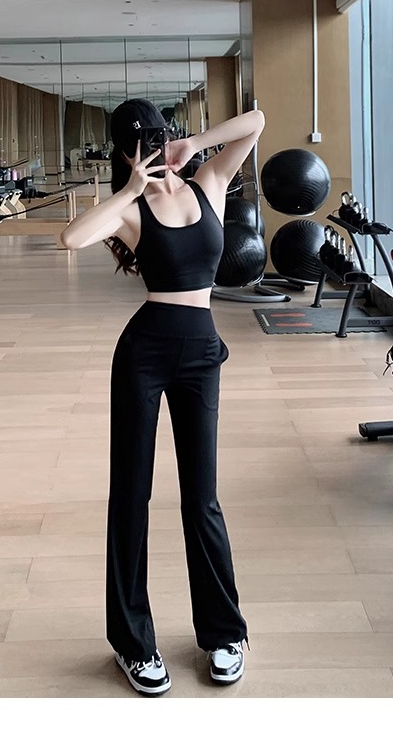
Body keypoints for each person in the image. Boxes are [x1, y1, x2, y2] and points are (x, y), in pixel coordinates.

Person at [61, 98, 265, 696]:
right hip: (143, 355)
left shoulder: (210, 183)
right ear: (124, 154)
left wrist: (192, 143)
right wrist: (130, 188)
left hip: (201, 353)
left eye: (155, 138)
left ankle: (225, 633)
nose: (150, 151)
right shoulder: (130, 211)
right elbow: (72, 238)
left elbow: (254, 123)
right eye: (138, 145)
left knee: (202, 498)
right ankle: (132, 644)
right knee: (131, 496)